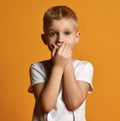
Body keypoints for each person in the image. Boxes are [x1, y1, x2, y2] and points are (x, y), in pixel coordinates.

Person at [28, 5, 94, 121]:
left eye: (67, 33)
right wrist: (58, 66)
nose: (60, 40)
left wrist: (66, 63)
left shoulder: (85, 67)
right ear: (45, 39)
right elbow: (47, 105)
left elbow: (73, 102)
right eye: (53, 34)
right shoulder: (37, 68)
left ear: (76, 37)